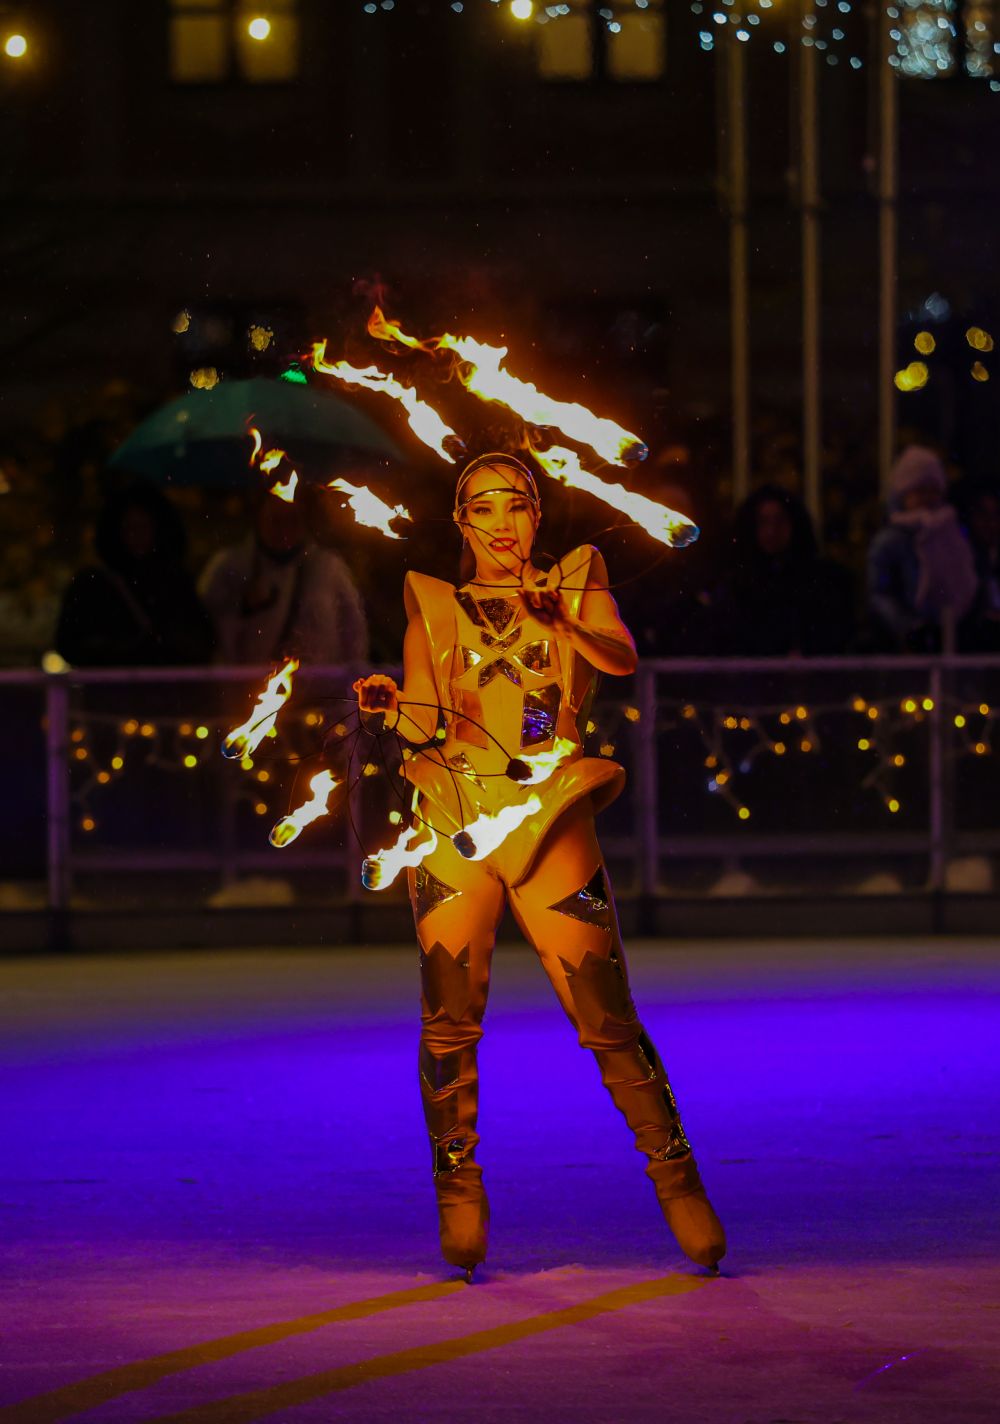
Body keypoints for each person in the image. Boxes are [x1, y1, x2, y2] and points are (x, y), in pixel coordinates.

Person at [354, 453, 725, 1279]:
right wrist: (391, 704)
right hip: (454, 815)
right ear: (461, 521)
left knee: (606, 1013)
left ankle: (676, 1175)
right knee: (449, 1015)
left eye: (516, 504)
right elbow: (425, 723)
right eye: (482, 506)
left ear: (536, 514)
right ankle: (458, 1186)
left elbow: (620, 656)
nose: (501, 522)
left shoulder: (578, 578)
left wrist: (560, 616)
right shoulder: (432, 600)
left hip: (549, 810)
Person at [199, 486, 368, 665]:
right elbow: (204, 632)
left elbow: (354, 634)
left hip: (322, 688)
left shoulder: (329, 569)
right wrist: (242, 606)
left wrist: (351, 681)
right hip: (248, 687)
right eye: (276, 521)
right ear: (259, 516)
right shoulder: (229, 567)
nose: (284, 531)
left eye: (292, 521)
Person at [55, 480, 214, 667]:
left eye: (144, 526)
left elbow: (202, 641)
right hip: (112, 693)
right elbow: (70, 644)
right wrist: (127, 651)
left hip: (163, 692)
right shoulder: (93, 585)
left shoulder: (174, 582)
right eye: (131, 527)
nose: (138, 535)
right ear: (116, 531)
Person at [713, 484, 854, 656]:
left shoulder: (820, 581)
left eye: (779, 521)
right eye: (763, 522)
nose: (771, 531)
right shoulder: (737, 584)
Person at [867, 446, 977, 652]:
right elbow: (880, 593)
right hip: (904, 645)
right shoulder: (890, 541)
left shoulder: (952, 534)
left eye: (933, 490)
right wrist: (907, 627)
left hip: (951, 637)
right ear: (903, 495)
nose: (927, 498)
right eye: (919, 491)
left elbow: (965, 580)